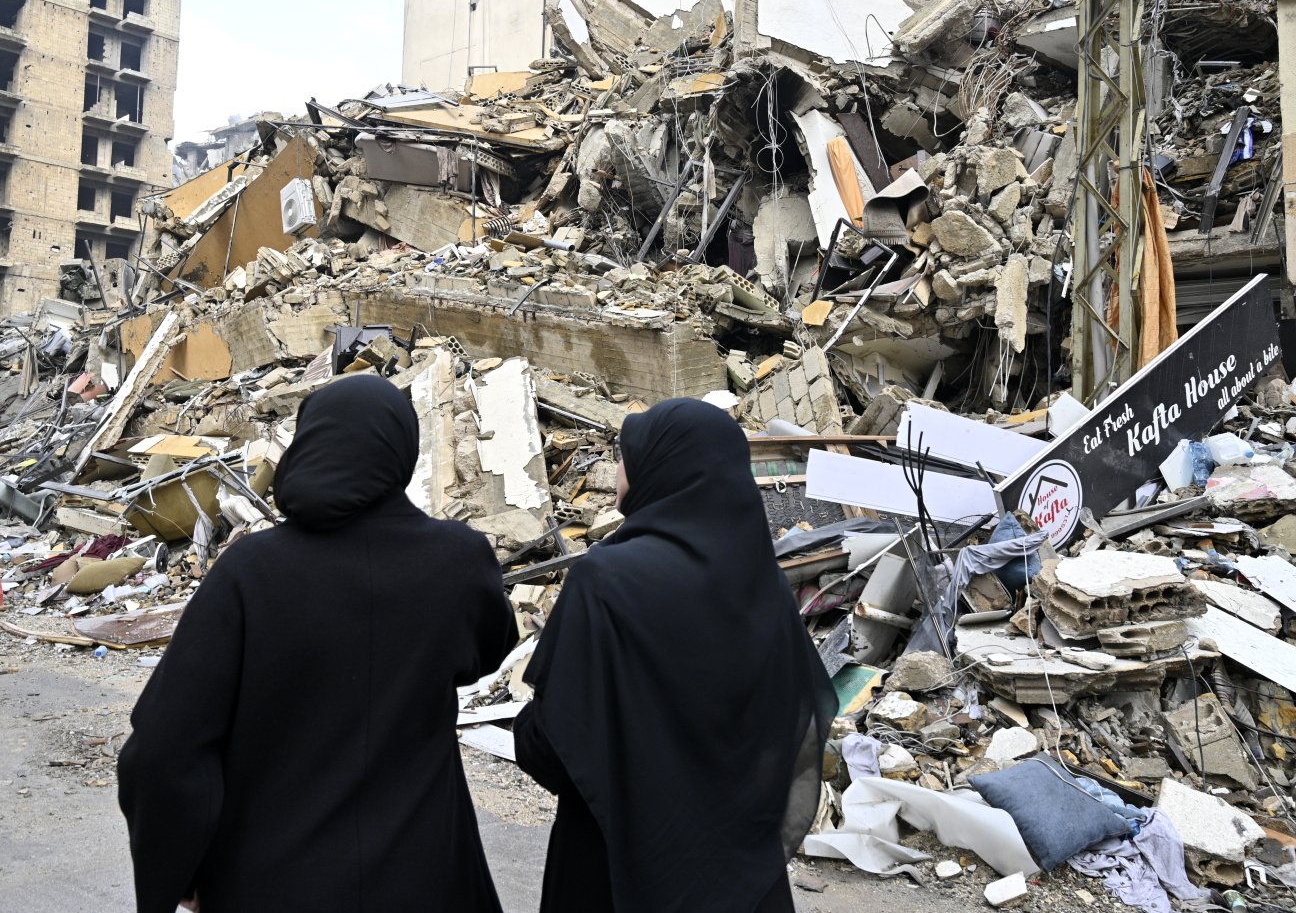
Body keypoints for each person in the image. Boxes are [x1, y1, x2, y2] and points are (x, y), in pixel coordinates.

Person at [118, 374, 518, 913]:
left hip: (268, 881)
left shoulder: (250, 571)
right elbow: (486, 653)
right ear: (402, 452)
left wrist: (178, 868)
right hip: (426, 876)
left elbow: (166, 749)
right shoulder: (458, 561)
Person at [513, 398, 838, 913]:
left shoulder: (606, 581)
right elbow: (791, 723)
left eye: (625, 456)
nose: (618, 469)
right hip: (740, 879)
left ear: (659, 466)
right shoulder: (764, 586)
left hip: (614, 865)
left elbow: (553, 743)